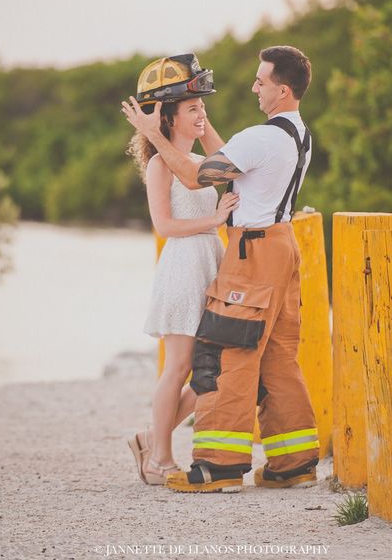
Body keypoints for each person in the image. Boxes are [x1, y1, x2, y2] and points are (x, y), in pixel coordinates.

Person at [122, 45, 319, 493]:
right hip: (279, 246)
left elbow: (198, 177)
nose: (254, 87)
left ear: (282, 89)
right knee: (276, 357)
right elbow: (219, 168)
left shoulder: (261, 137)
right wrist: (169, 133)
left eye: (261, 81)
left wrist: (157, 131)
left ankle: (219, 466)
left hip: (252, 251)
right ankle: (295, 462)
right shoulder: (297, 134)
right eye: (194, 107)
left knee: (231, 354)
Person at [126, 54, 239, 485]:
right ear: (170, 118)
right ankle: (159, 460)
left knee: (213, 366)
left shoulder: (200, 161)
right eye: (193, 110)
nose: (202, 114)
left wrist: (197, 111)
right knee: (178, 367)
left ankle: (149, 439)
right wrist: (214, 220)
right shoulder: (160, 164)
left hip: (209, 264)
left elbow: (229, 161)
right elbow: (165, 226)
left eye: (203, 108)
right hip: (182, 267)